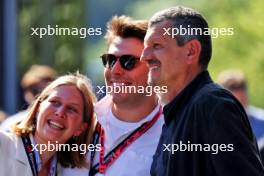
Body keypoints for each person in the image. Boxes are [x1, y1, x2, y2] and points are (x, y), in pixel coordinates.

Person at [141, 6, 264, 176]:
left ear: (191, 51)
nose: (144, 57)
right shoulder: (177, 113)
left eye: (156, 45)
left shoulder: (214, 105)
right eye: (145, 47)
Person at [62, 16, 164, 176]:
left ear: (154, 68)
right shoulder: (77, 122)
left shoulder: (174, 134)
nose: (115, 70)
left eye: (128, 61)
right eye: (110, 60)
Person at [0, 73, 96, 176]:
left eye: (71, 109)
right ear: (38, 108)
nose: (60, 112)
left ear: (81, 128)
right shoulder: (2, 144)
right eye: (55, 102)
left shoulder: (70, 172)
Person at [0, 65, 57, 131]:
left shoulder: (60, 124)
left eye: (45, 92)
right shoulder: (11, 125)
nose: (39, 96)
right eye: (35, 91)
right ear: (26, 93)